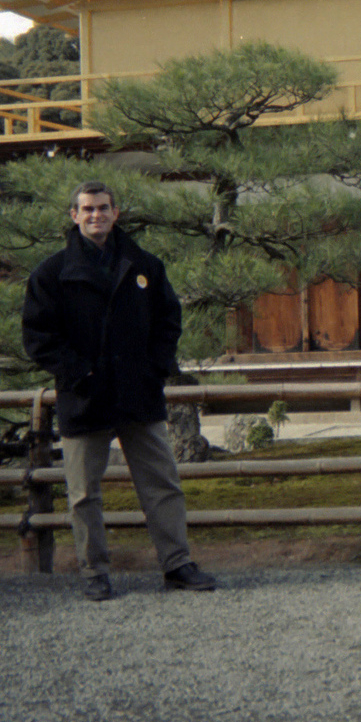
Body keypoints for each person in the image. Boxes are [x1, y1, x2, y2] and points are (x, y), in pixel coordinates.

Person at [22, 180, 217, 601]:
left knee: (162, 483)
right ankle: (94, 571)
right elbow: (38, 338)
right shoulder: (52, 273)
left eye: (104, 208)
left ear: (116, 213)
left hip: (138, 392)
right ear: (74, 216)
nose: (96, 215)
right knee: (83, 493)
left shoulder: (144, 265)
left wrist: (156, 368)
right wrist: (79, 373)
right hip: (85, 396)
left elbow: (169, 320)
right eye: (88, 209)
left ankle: (177, 563)